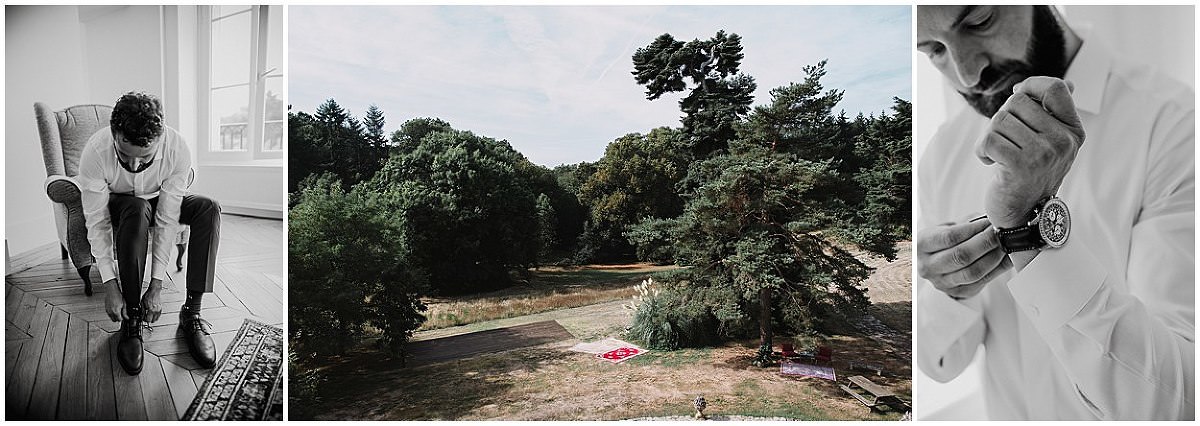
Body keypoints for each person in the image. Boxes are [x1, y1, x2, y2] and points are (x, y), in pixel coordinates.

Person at [915, 5, 1193, 420]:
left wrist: (1030, 233)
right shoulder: (943, 152)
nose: (968, 74)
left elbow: (1177, 402)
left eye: (979, 22)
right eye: (934, 49)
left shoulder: (1176, 125)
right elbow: (939, 363)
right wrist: (951, 290)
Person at [78, 92, 221, 375]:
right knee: (136, 205)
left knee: (208, 208)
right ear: (113, 133)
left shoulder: (177, 148)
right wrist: (109, 286)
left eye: (144, 158)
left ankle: (192, 312)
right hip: (121, 204)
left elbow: (167, 219)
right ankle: (131, 319)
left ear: (160, 139)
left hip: (160, 197)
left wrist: (156, 286)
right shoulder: (94, 153)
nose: (133, 167)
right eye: (124, 156)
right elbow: (97, 222)